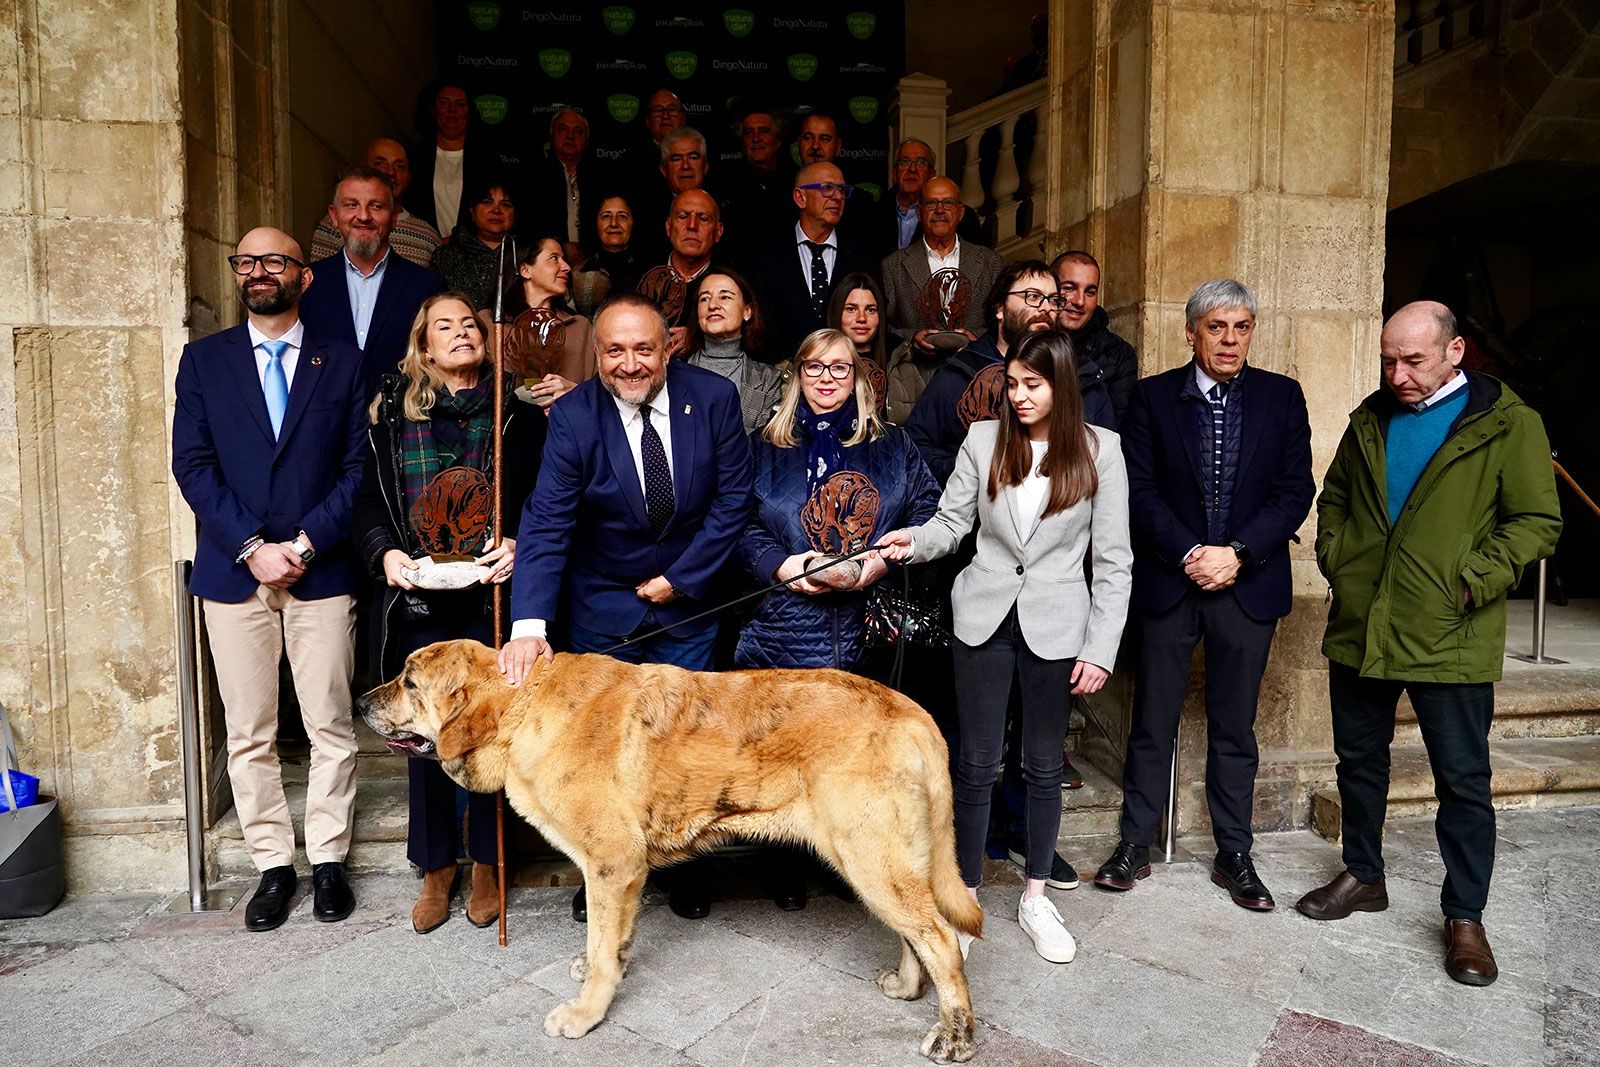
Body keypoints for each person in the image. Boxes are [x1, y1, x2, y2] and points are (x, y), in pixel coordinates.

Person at [1296, 301, 1561, 986]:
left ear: (1455, 351)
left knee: (1463, 780)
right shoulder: (1369, 419)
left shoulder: (1507, 423)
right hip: (1365, 623)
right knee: (1359, 760)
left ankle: (1466, 916)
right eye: (1388, 359)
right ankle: (1363, 873)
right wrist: (1341, 561)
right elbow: (1337, 500)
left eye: (1412, 360)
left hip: (1452, 630)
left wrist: (1474, 579)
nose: (1398, 374)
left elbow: (1535, 519)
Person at [878, 330, 1132, 963]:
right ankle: (965, 897)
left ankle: (1036, 897)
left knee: (1044, 766)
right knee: (976, 763)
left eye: (1032, 385)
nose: (1017, 397)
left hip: (1057, 622)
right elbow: (949, 523)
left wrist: (1100, 648)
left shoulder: (1103, 452)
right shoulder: (982, 440)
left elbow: (1115, 561)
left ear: (1062, 386)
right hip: (984, 617)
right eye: (1012, 383)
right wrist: (912, 541)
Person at [500, 292, 754, 921]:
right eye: (614, 350)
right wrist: (528, 626)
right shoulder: (574, 417)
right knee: (602, 748)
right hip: (602, 606)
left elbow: (734, 502)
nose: (630, 364)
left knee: (686, 740)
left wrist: (682, 577)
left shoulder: (715, 400)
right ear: (597, 353)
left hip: (687, 605)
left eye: (644, 348)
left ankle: (687, 868)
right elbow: (547, 522)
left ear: (668, 345)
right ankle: (604, 873)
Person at [1092, 279, 1314, 913]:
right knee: (1152, 722)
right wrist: (1190, 552)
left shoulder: (1281, 397)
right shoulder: (1155, 397)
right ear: (1191, 333)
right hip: (1171, 581)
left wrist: (1237, 554)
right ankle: (1134, 845)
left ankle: (1234, 854)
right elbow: (1139, 488)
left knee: (1235, 727)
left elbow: (1294, 491)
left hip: (1249, 584)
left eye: (1241, 327)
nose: (1230, 339)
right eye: (1216, 327)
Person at [170, 227, 368, 932]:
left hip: (322, 567)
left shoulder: (342, 362)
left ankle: (330, 859)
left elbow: (356, 470)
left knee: (330, 723)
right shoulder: (203, 362)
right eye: (247, 261)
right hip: (233, 570)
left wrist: (307, 542)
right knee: (250, 729)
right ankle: (274, 866)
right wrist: (254, 545)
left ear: (303, 276)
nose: (259, 271)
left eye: (275, 260)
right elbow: (192, 466)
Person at [349, 292, 544, 935]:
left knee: (491, 724)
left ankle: (489, 861)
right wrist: (385, 555)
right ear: (423, 345)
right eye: (445, 327)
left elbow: (547, 496)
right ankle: (436, 866)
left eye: (470, 324)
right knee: (421, 728)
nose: (461, 333)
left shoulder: (515, 414)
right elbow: (369, 502)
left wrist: (519, 540)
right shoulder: (390, 419)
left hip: (492, 592)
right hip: (422, 593)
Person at [736, 327, 941, 907]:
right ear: (797, 375)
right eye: (815, 367)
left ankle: (842, 860)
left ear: (859, 378)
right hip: (782, 628)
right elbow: (739, 526)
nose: (827, 378)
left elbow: (927, 511)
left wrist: (883, 559)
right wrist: (782, 565)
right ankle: (782, 865)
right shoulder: (763, 447)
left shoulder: (892, 445)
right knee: (779, 753)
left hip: (863, 627)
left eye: (840, 368)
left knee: (853, 757)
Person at [907, 260, 1113, 486]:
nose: (1045, 308)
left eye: (1053, 300)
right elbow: (915, 447)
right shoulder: (959, 373)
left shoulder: (1083, 377)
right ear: (999, 308)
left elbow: (1105, 464)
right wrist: (971, 471)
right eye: (1033, 297)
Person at [300, 165, 446, 400]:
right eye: (351, 205)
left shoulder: (427, 285)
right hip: (326, 425)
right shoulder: (308, 282)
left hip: (400, 423)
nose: (364, 216)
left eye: (376, 206)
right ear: (334, 216)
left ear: (395, 217)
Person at [747, 163, 878, 362]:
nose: (837, 197)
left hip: (845, 374)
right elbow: (759, 324)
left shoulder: (862, 256)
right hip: (779, 375)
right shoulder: (767, 255)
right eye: (827, 188)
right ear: (800, 197)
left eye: (842, 190)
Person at [881, 177, 1004, 367]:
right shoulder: (893, 266)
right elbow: (884, 327)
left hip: (974, 373)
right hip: (916, 378)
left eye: (948, 203)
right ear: (919, 212)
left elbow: (1003, 322)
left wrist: (976, 338)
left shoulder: (990, 262)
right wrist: (912, 338)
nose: (940, 210)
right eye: (931, 203)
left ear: (960, 212)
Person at [309, 138, 442, 268]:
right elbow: (319, 280)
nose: (390, 172)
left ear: (408, 177)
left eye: (399, 166)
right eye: (380, 163)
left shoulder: (428, 235)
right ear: (364, 168)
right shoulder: (333, 225)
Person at [682, 267, 785, 434]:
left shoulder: (769, 379)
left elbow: (764, 444)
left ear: (747, 311)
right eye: (704, 299)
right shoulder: (673, 375)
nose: (713, 305)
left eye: (725, 297)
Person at [507, 232, 595, 412]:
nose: (567, 267)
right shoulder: (493, 325)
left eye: (564, 259)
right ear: (525, 269)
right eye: (554, 258)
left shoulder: (580, 327)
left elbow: (601, 395)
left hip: (571, 433)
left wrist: (575, 392)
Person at [405, 82, 507, 236]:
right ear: (433, 110)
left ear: (469, 113)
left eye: (460, 104)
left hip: (472, 249)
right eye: (444, 102)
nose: (452, 110)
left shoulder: (487, 160)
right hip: (422, 244)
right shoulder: (414, 157)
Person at [1051, 250, 1137, 422]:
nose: (1080, 301)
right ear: (1049, 288)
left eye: (1090, 292)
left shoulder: (1118, 355)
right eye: (1069, 288)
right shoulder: (1027, 340)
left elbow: (1121, 430)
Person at [640, 189, 726, 357]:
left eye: (703, 218)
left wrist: (699, 338)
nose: (692, 225)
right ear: (668, 226)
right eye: (683, 216)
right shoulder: (637, 277)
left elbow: (755, 339)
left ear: (718, 232)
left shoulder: (732, 284)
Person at [865, 139, 984, 259]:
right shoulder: (871, 214)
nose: (912, 169)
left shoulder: (961, 217)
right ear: (894, 173)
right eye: (905, 162)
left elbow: (975, 265)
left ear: (932, 174)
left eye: (921, 163)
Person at [426, 178, 518, 314]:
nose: (496, 210)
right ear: (472, 211)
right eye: (487, 202)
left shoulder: (529, 255)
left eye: (505, 204)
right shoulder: (446, 257)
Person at [524, 108, 604, 263]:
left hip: (595, 261)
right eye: (563, 129)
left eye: (578, 131)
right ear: (551, 135)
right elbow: (528, 226)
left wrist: (587, 248)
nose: (570, 135)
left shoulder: (601, 178)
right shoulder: (533, 177)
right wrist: (561, 245)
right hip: (545, 261)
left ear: (586, 140)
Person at [828, 274, 893, 419]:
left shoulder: (900, 364)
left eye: (871, 310)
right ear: (837, 313)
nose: (862, 318)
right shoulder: (815, 366)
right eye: (851, 309)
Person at [574, 194, 644, 315]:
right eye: (606, 216)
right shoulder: (577, 274)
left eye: (622, 216)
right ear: (595, 223)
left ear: (634, 223)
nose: (614, 223)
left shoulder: (649, 273)